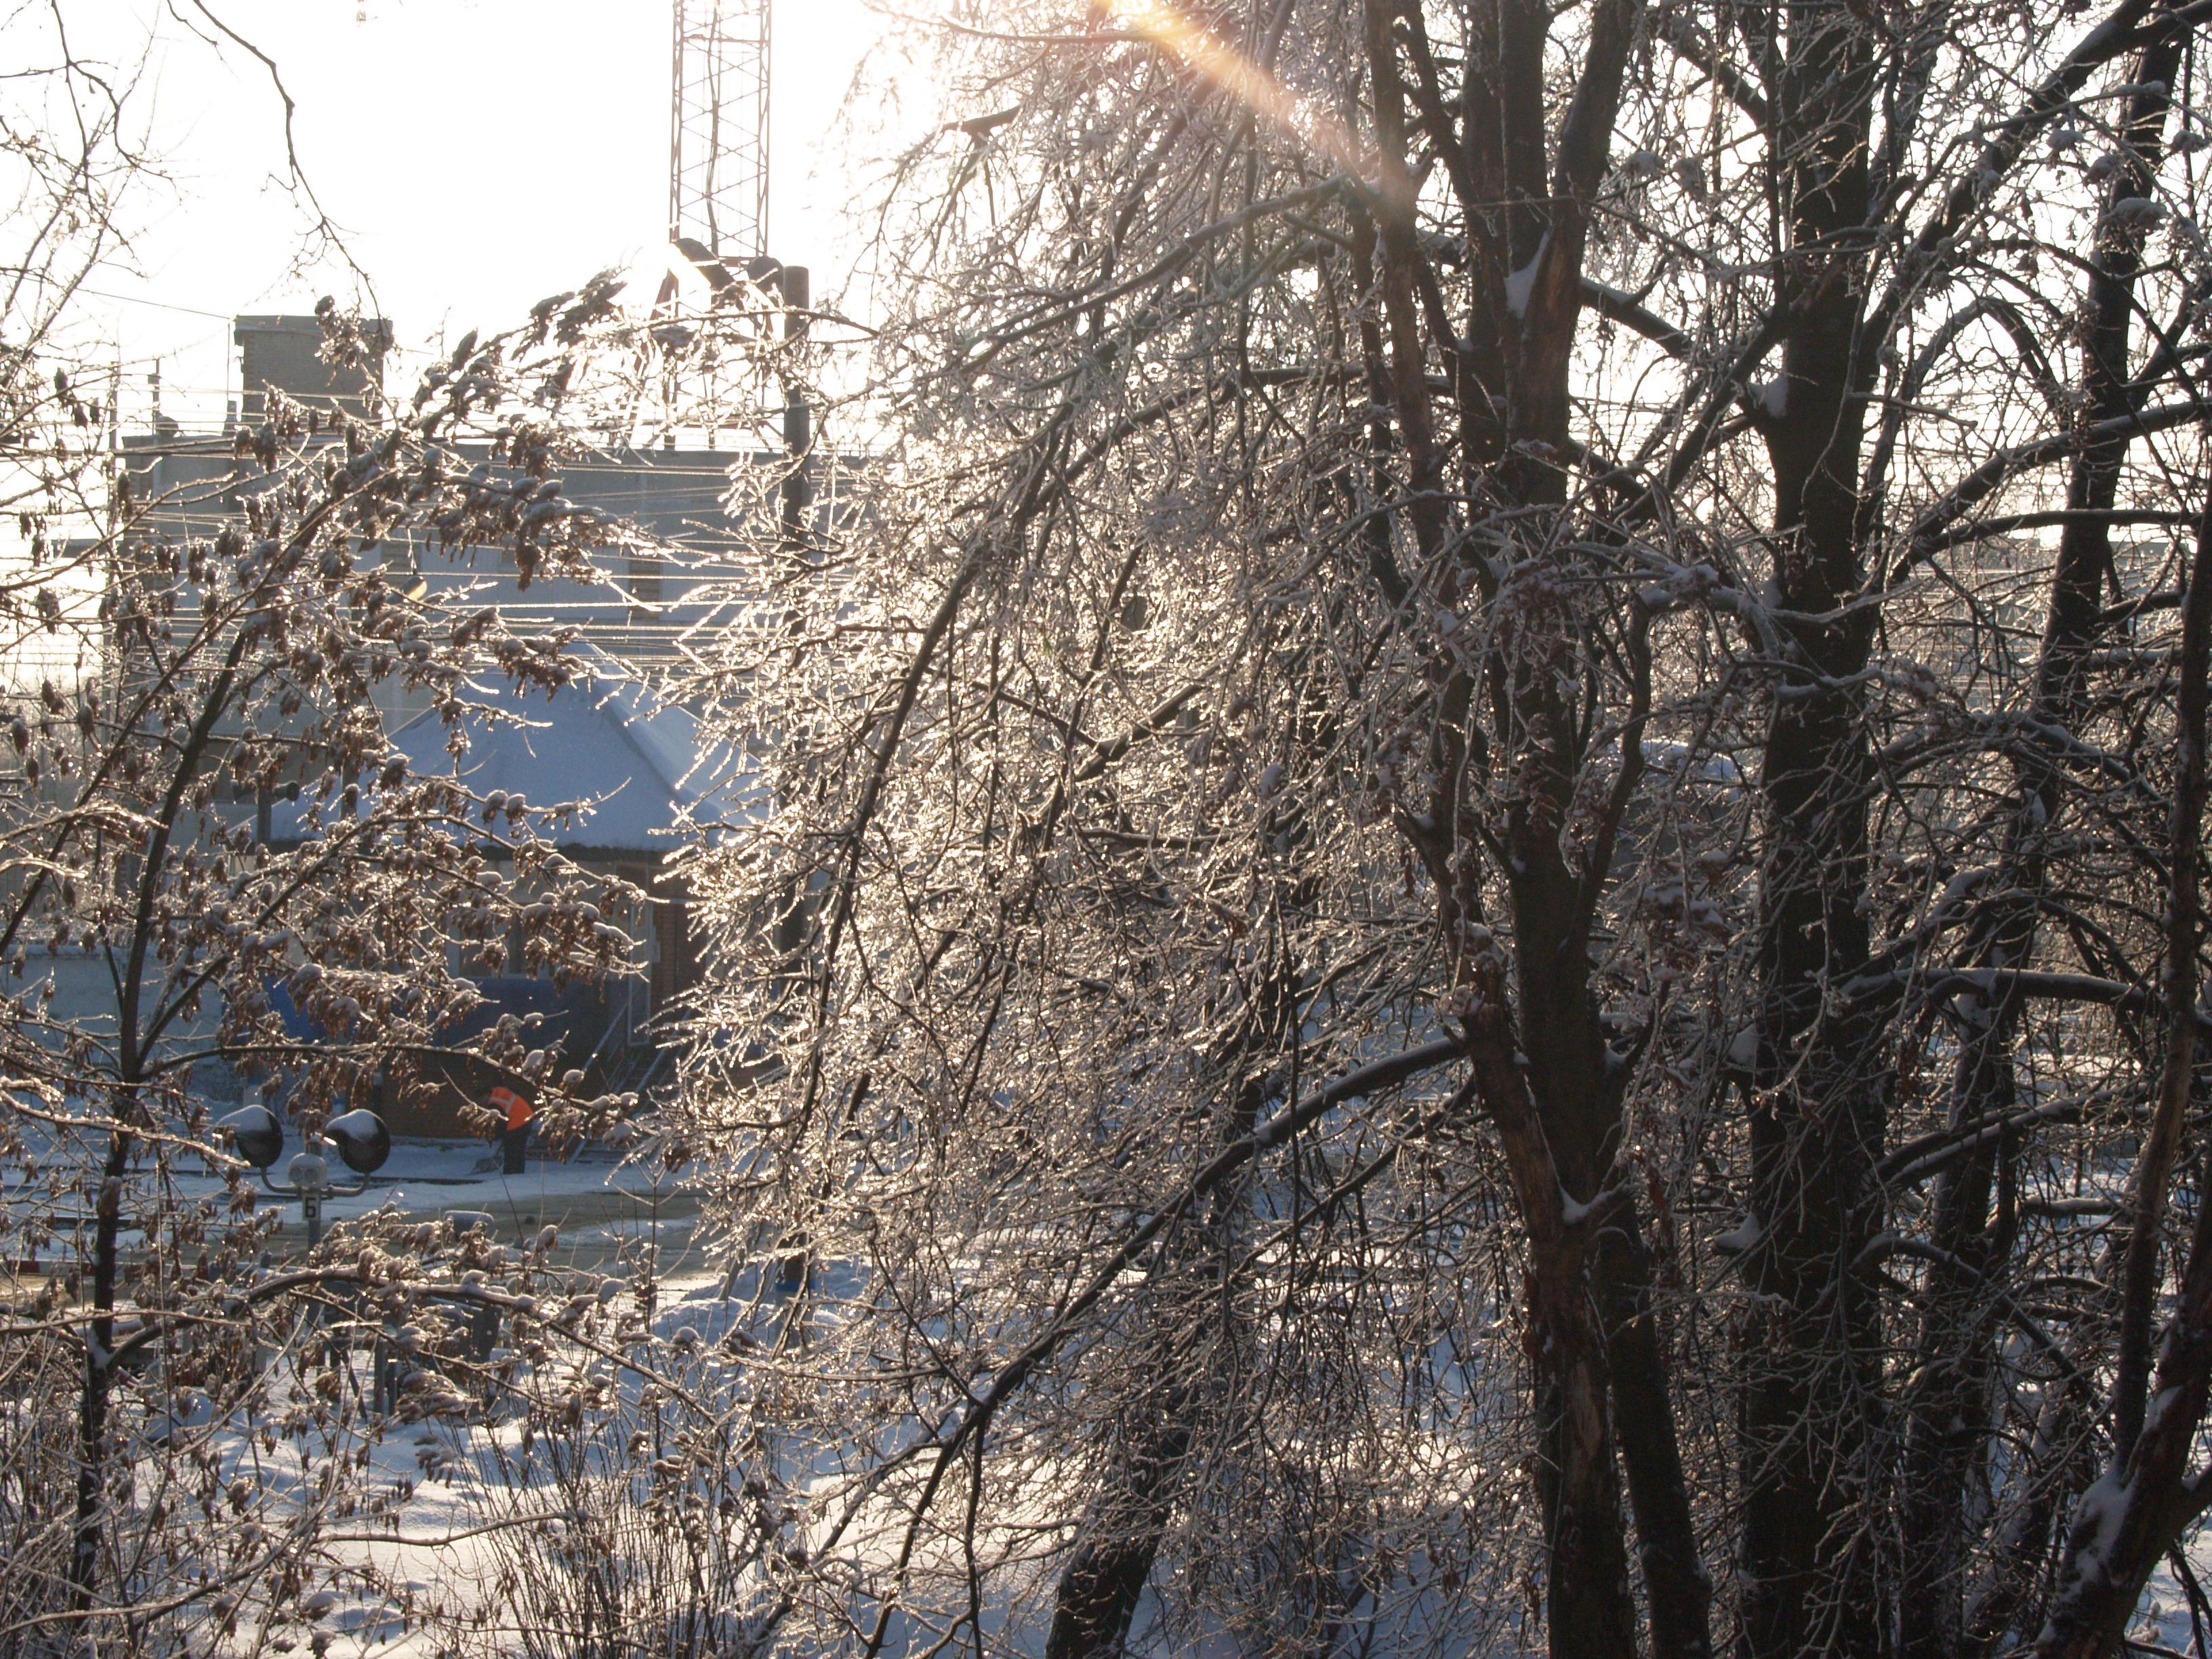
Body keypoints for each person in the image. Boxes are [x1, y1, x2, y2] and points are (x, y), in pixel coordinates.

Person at [489, 1081, 533, 1174]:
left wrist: (498, 1135)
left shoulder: (494, 1103)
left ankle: (509, 1173)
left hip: (518, 1120)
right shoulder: (498, 1091)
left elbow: (500, 1122)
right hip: (528, 1116)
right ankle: (518, 1172)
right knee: (519, 1150)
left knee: (511, 1150)